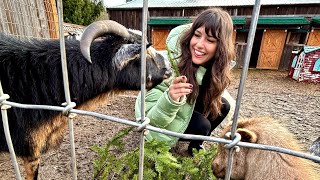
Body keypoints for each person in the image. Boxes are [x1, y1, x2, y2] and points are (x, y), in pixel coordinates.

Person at [135, 8, 235, 155]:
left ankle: (196, 145)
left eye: (210, 40)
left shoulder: (214, 67)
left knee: (223, 106)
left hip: (187, 106)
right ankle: (162, 147)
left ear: (220, 47)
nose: (199, 44)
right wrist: (170, 99)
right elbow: (150, 119)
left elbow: (224, 101)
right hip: (157, 113)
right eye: (197, 35)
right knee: (203, 125)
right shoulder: (164, 65)